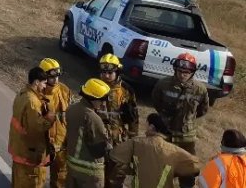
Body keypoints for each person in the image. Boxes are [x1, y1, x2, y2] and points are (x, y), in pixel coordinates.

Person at [108, 113, 199, 188]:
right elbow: (194, 168)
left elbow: (114, 157)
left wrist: (130, 171)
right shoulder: (175, 151)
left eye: (146, 125)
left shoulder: (136, 143)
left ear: (151, 127)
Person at [152, 53, 209, 156]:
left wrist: (188, 119)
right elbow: (156, 103)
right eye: (180, 71)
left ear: (192, 72)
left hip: (187, 136)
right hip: (165, 132)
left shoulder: (200, 89)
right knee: (162, 162)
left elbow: (202, 110)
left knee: (187, 166)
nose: (182, 75)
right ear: (175, 69)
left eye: (186, 72)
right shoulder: (163, 84)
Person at [9, 67, 55, 188]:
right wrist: (49, 119)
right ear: (36, 82)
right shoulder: (33, 102)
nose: (45, 86)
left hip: (19, 148)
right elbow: (37, 128)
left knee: (18, 181)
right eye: (44, 83)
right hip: (30, 154)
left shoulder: (22, 93)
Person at [98, 54, 140, 183]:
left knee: (116, 174)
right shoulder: (94, 86)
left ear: (117, 72)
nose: (106, 75)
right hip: (98, 135)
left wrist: (133, 139)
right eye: (104, 72)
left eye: (110, 72)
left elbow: (134, 117)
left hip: (118, 138)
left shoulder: (126, 90)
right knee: (98, 173)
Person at [65, 78, 112, 188]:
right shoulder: (93, 117)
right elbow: (102, 148)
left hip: (72, 167)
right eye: (102, 99)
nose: (103, 103)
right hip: (90, 172)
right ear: (93, 99)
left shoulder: (71, 109)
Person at [40, 58, 73, 188]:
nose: (56, 80)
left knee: (61, 176)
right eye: (51, 76)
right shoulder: (36, 93)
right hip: (43, 142)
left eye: (57, 76)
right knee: (37, 174)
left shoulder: (64, 90)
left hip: (61, 142)